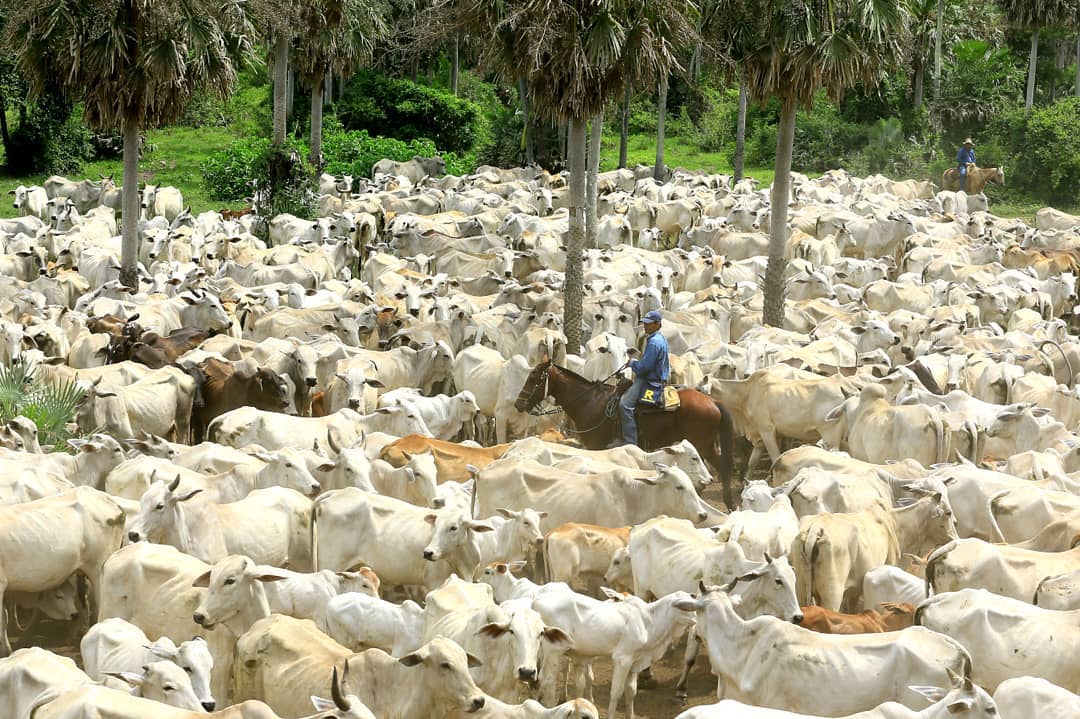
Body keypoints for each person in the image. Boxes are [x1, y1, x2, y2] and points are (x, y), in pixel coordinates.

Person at [619, 309, 670, 447]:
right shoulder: (661, 338)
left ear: (658, 324)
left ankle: (630, 443)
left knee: (625, 405)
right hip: (660, 378)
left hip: (649, 380)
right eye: (644, 323)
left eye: (649, 324)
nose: (645, 326)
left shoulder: (653, 343)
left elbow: (644, 368)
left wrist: (633, 363)